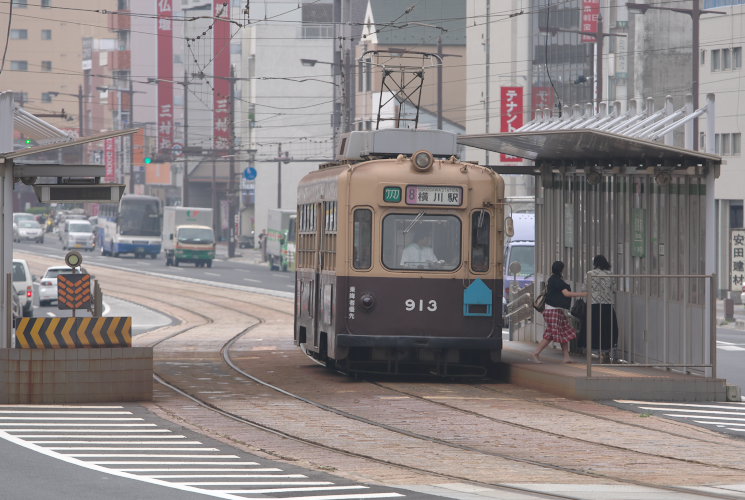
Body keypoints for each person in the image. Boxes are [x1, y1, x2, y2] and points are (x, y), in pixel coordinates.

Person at [532, 260, 586, 363]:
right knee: (551, 335)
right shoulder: (557, 281)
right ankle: (536, 353)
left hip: (555, 310)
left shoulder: (552, 279)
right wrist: (583, 294)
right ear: (561, 270)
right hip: (553, 310)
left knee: (562, 333)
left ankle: (566, 357)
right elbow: (566, 294)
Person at [578, 254, 619, 362]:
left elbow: (584, 289)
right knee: (607, 328)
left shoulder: (590, 274)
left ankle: (596, 351)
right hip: (607, 305)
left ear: (595, 263)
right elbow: (614, 289)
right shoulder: (610, 274)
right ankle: (606, 352)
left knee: (594, 328)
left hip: (593, 305)